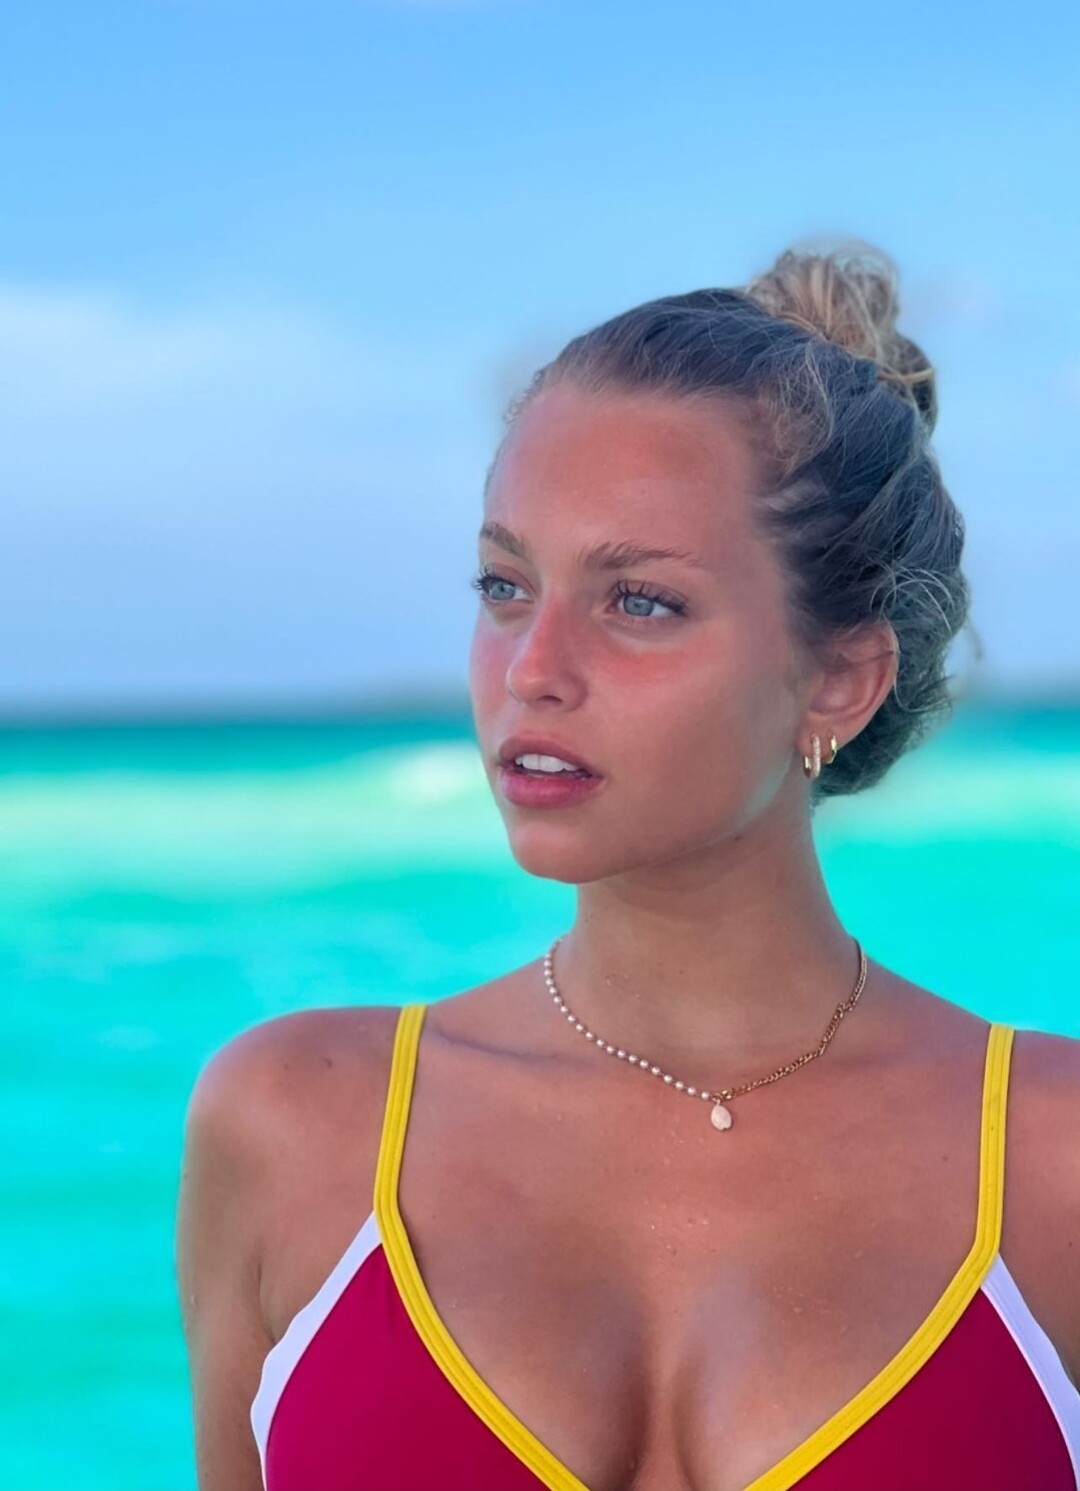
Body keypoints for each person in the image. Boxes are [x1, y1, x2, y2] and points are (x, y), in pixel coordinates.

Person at [176, 241, 1080, 1491]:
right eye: (505, 584)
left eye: (639, 602)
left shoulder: (1054, 1162)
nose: (530, 668)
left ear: (838, 679)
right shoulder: (293, 1125)